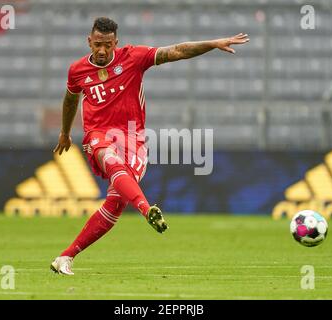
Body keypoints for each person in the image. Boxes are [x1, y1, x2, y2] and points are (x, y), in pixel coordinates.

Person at [50, 17, 249, 275]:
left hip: (133, 140)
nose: (102, 50)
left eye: (107, 45)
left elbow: (176, 51)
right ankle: (147, 209)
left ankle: (65, 257)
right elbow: (69, 100)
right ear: (89, 41)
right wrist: (65, 133)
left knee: (115, 205)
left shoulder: (133, 57)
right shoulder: (77, 70)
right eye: (97, 44)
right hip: (98, 136)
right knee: (108, 155)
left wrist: (212, 43)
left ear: (116, 43)